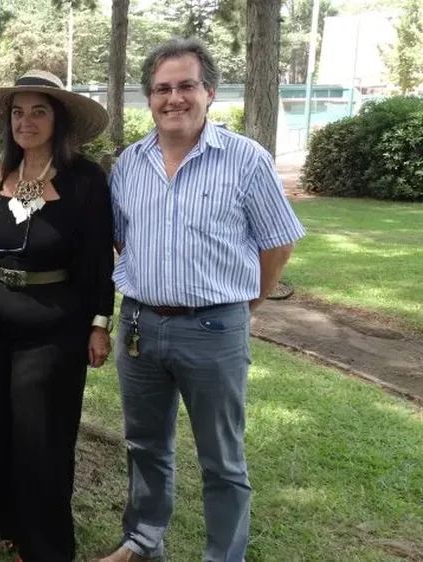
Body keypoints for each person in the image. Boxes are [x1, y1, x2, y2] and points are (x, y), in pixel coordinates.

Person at [94, 38, 306, 562]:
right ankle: (143, 542)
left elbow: (278, 244)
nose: (174, 98)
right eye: (162, 89)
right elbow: (121, 239)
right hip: (140, 326)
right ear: (149, 98)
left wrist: (244, 307)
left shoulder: (246, 159)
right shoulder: (129, 164)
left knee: (222, 459)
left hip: (214, 330)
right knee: (145, 446)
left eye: (186, 85)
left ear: (209, 91)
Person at [0, 69, 116, 562]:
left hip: (53, 331)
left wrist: (99, 324)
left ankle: (47, 547)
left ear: (58, 119)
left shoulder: (84, 180)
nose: (26, 121)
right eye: (18, 112)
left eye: (39, 111)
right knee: (0, 427)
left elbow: (98, 260)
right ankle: (12, 525)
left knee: (42, 438)